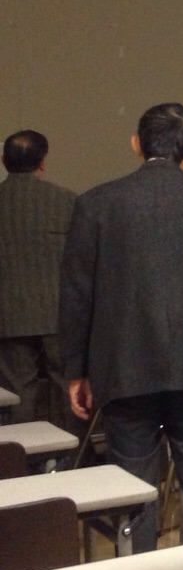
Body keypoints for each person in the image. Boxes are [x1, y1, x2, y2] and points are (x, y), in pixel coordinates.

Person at [58, 105, 183, 551]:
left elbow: (78, 294)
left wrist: (76, 370)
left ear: (136, 145)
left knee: (133, 484)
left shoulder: (96, 203)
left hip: (123, 366)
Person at [0, 130, 77, 427]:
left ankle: (21, 453)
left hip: (8, 315)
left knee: (17, 393)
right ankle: (70, 451)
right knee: (66, 388)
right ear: (42, 162)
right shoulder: (66, 201)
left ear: (4, 160)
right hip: (59, 313)